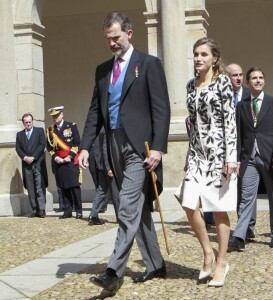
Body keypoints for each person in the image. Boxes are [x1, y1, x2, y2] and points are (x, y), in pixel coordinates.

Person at [78, 12, 170, 295]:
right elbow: (96, 111)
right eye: (107, 38)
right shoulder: (102, 70)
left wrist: (158, 147)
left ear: (129, 33)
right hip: (112, 144)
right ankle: (155, 263)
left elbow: (161, 109)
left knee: (127, 206)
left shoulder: (149, 65)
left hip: (140, 148)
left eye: (116, 37)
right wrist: (84, 146)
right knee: (137, 209)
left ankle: (112, 272)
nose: (112, 43)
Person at [175, 37, 237, 287]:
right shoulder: (191, 85)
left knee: (219, 208)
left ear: (215, 58)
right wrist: (189, 156)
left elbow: (230, 121)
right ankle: (208, 252)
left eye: (203, 54)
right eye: (195, 54)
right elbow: (192, 125)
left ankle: (222, 262)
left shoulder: (223, 83)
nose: (198, 58)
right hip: (197, 155)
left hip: (219, 155)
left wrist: (231, 157)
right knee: (188, 203)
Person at [228, 67, 273, 250]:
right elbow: (238, 135)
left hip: (270, 157)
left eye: (261, 77)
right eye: (254, 78)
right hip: (248, 158)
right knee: (246, 197)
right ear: (248, 82)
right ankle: (240, 235)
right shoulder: (242, 106)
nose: (258, 81)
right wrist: (237, 159)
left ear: (264, 81)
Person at [226, 63, 256, 241]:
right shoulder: (223, 95)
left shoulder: (248, 94)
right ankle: (242, 224)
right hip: (228, 148)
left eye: (240, 75)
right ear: (227, 77)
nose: (238, 78)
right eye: (234, 75)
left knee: (247, 188)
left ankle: (248, 227)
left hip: (246, 147)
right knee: (236, 189)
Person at [46, 106, 83, 219]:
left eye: (57, 115)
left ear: (62, 115)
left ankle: (78, 210)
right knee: (63, 186)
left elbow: (77, 143)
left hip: (70, 161)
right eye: (53, 116)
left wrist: (70, 156)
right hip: (59, 161)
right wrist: (56, 157)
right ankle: (67, 210)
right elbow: (49, 148)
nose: (55, 118)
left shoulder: (71, 126)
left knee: (74, 186)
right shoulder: (50, 130)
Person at [16, 113, 48, 218]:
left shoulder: (39, 131)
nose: (28, 124)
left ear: (32, 121)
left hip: (37, 163)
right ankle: (34, 209)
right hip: (26, 165)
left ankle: (42, 209)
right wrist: (25, 157)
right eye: (26, 123)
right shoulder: (19, 135)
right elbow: (18, 148)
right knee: (30, 187)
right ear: (23, 123)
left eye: (30, 122)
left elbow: (42, 144)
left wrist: (33, 157)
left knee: (39, 186)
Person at [88, 127, 119, 225]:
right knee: (115, 192)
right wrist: (108, 167)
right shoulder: (105, 129)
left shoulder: (99, 129)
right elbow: (105, 149)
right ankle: (121, 217)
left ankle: (93, 215)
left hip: (102, 166)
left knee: (101, 191)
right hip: (108, 166)